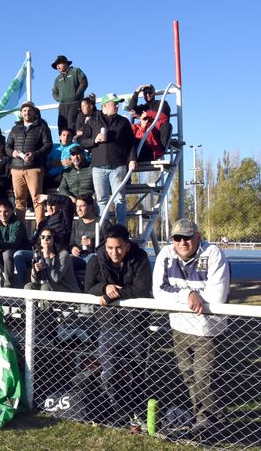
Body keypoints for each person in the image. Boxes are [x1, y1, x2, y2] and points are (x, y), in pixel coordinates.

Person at [152, 219, 230, 436]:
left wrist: (181, 297)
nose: (182, 242)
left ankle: (213, 423)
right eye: (177, 238)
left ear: (198, 236)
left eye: (187, 237)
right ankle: (203, 418)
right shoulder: (166, 254)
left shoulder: (214, 253)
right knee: (188, 377)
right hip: (179, 326)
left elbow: (217, 296)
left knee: (205, 378)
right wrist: (188, 295)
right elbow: (158, 291)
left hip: (208, 329)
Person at [84, 224, 152, 422]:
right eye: (110, 248)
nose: (115, 253)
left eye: (119, 248)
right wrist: (105, 286)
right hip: (108, 325)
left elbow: (141, 289)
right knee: (110, 372)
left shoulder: (141, 259)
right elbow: (88, 288)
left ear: (128, 245)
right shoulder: (95, 261)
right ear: (105, 245)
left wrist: (113, 294)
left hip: (136, 325)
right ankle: (120, 410)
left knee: (138, 372)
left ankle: (138, 412)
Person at [80, 93, 137, 226]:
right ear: (105, 105)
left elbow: (131, 143)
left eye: (118, 103)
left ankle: (121, 229)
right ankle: (103, 229)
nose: (117, 106)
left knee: (120, 199)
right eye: (114, 103)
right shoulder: (92, 121)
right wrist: (95, 140)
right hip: (98, 167)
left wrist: (132, 159)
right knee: (101, 200)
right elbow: (82, 142)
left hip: (118, 166)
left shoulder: (123, 122)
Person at [5, 101, 53, 225]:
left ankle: (40, 231)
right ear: (21, 113)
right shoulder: (15, 129)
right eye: (24, 110)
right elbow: (7, 147)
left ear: (33, 112)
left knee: (37, 200)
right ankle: (20, 233)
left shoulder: (42, 127)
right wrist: (12, 153)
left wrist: (35, 154)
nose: (27, 113)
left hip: (34, 168)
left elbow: (48, 145)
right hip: (16, 169)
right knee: (19, 201)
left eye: (29, 110)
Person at [0, 200, 29, 288]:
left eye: (6, 211)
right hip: (1, 252)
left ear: (12, 211)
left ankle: (8, 285)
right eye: (0, 211)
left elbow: (13, 243)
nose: (2, 214)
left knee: (7, 253)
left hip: (17, 254)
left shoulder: (18, 223)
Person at [24, 227, 80, 293]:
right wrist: (34, 272)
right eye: (42, 237)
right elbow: (34, 280)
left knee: (46, 287)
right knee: (29, 286)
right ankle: (30, 304)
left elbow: (55, 279)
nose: (45, 239)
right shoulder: (38, 254)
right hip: (46, 285)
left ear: (54, 240)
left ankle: (43, 304)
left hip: (67, 289)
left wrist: (47, 258)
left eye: (49, 237)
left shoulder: (63, 255)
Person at [51, 55, 89, 133]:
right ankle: (63, 144)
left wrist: (76, 95)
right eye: (56, 65)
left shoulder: (75, 71)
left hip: (75, 104)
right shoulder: (57, 79)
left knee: (73, 125)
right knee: (62, 126)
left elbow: (84, 82)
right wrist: (60, 98)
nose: (58, 66)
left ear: (66, 63)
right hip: (62, 106)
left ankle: (74, 143)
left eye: (59, 63)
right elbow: (54, 92)